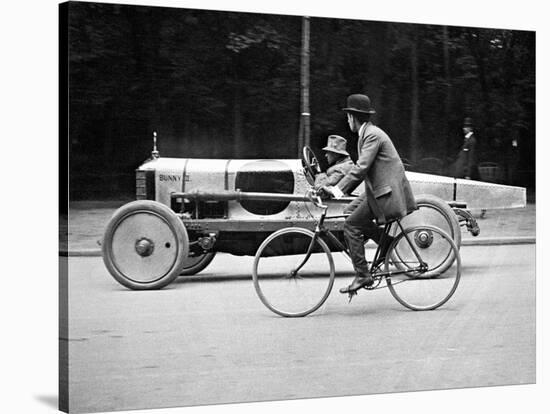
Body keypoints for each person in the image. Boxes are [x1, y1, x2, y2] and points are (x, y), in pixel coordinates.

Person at [322, 94, 417, 293]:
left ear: (353, 118)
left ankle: (363, 275)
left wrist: (337, 190)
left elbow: (361, 168)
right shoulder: (367, 134)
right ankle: (386, 241)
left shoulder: (372, 135)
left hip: (385, 193)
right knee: (349, 211)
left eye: (348, 117)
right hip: (379, 190)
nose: (347, 121)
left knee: (351, 225)